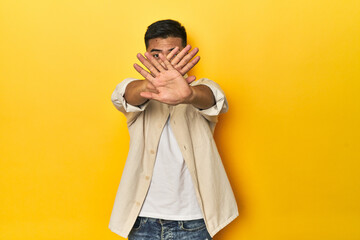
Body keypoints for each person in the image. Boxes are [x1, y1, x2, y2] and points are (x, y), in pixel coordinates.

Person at [108, 19, 238, 240]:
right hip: (142, 220)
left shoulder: (202, 88)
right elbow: (123, 95)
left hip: (194, 220)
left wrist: (189, 95)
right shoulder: (138, 91)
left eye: (173, 53)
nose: (165, 61)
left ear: (185, 54)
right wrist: (149, 86)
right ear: (146, 55)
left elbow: (215, 99)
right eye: (157, 55)